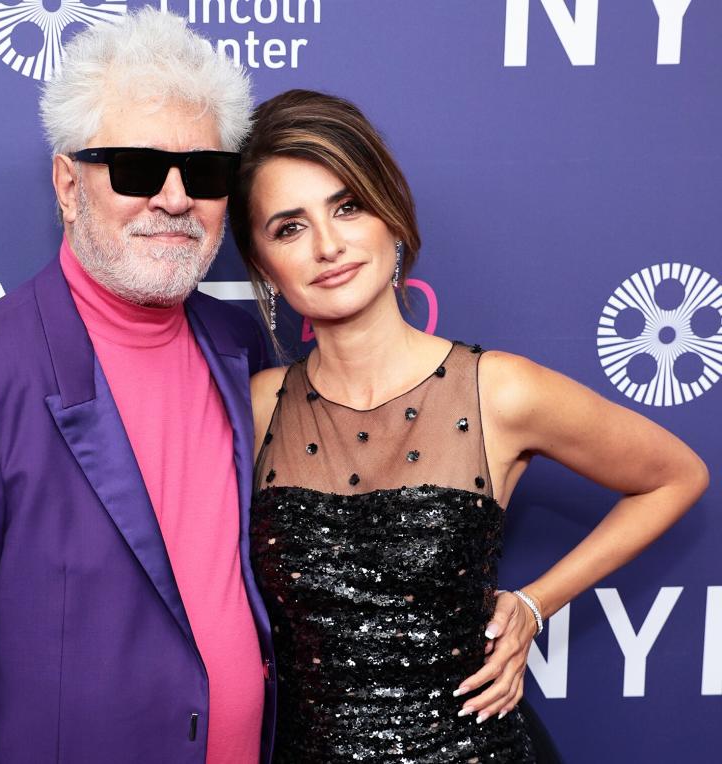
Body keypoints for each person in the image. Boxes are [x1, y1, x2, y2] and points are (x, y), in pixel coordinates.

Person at [227, 89, 709, 762]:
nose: (329, 245)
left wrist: (536, 605)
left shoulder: (498, 391)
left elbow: (676, 476)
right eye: (289, 227)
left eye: (348, 206)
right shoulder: (254, 407)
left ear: (390, 215)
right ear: (264, 265)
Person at [0, 10, 276, 763]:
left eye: (204, 171)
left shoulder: (241, 347)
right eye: (137, 168)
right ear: (67, 181)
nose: (176, 199)